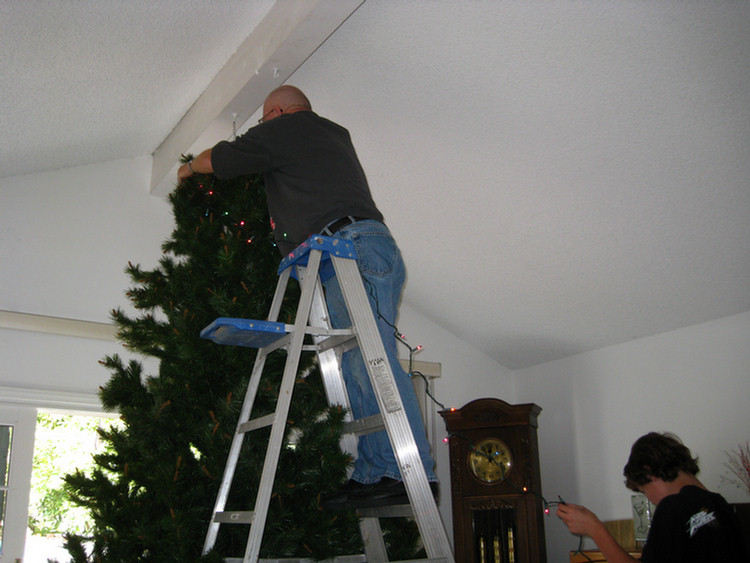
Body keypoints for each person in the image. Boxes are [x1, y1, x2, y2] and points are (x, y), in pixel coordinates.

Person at [177, 85, 437, 509]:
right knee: (359, 361)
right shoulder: (330, 133)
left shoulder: (289, 129)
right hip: (357, 250)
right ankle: (376, 472)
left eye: (262, 120)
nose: (262, 128)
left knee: (374, 360)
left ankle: (413, 472)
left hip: (349, 250)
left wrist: (188, 168)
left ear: (277, 112)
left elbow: (219, 159)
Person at [556, 432, 748, 563]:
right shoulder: (720, 504)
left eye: (644, 491)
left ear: (649, 473)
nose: (652, 501)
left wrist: (595, 529)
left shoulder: (673, 507)